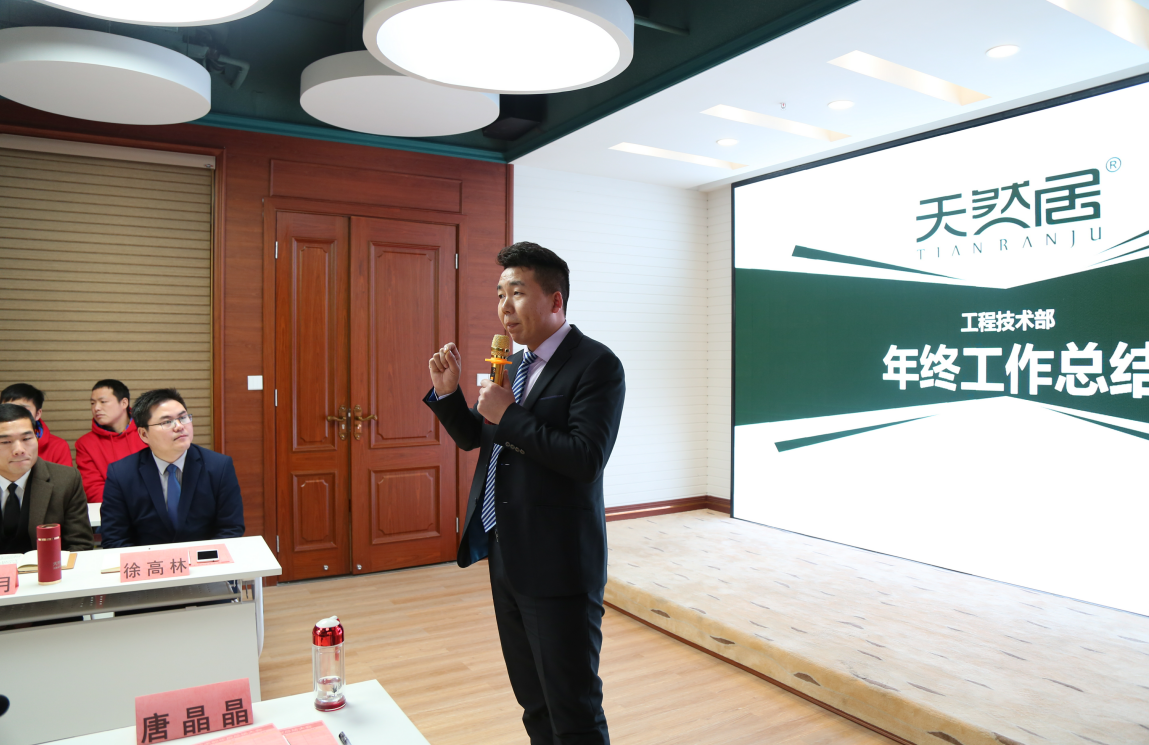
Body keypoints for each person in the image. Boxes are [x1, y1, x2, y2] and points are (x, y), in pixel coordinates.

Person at [424, 242, 625, 745]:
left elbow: (585, 458)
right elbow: (482, 437)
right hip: (507, 555)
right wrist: (448, 395)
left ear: (555, 301)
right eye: (499, 294)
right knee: (533, 701)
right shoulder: (513, 365)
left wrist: (509, 415)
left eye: (516, 293)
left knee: (573, 709)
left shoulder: (596, 365)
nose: (504, 307)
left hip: (559, 565)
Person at [100, 389, 244, 548]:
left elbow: (231, 528)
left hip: (204, 559)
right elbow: (114, 538)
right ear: (144, 434)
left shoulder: (219, 467)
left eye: (183, 418)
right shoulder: (121, 474)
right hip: (148, 560)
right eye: (166, 422)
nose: (179, 426)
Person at [0, 403, 94, 555]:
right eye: (6, 442)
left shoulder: (66, 480)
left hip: (49, 568)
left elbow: (80, 545)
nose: (19, 450)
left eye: (26, 438)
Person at [74, 379, 147, 503]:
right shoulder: (85, 444)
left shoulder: (147, 432)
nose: (96, 408)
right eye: (92, 403)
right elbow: (92, 489)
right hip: (112, 510)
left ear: (124, 403)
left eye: (103, 402)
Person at [1, 383, 72, 467]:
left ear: (38, 414)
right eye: (9, 409)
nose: (15, 414)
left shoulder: (58, 446)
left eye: (23, 410)